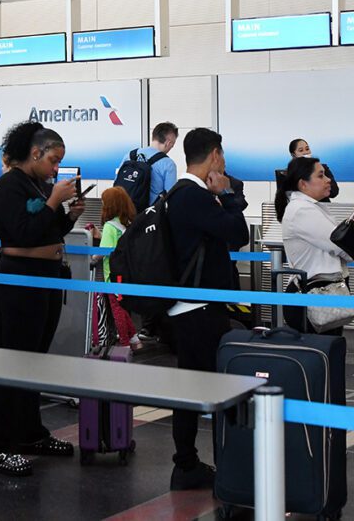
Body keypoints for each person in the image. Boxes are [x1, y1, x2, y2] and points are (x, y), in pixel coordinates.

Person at [0, 121, 83, 477]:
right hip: (20, 278)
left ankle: (29, 433)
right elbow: (21, 233)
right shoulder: (8, 186)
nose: (57, 169)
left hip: (47, 276)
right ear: (36, 153)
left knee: (35, 360)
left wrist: (68, 216)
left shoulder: (39, 185)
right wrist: (53, 201)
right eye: (54, 161)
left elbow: (48, 230)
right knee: (15, 360)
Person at [166, 128, 249, 490]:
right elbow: (239, 234)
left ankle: (188, 463)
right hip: (200, 308)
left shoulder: (178, 194)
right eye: (223, 155)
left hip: (187, 306)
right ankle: (209, 466)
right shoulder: (194, 197)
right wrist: (228, 195)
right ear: (215, 155)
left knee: (193, 386)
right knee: (214, 388)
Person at [275, 156, 354, 330]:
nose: (328, 180)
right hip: (315, 296)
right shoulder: (302, 210)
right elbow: (342, 246)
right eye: (321, 175)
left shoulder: (308, 207)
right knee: (323, 346)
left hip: (321, 294)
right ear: (303, 184)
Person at [97, 187, 141, 349]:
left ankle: (124, 344)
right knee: (122, 307)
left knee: (117, 310)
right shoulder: (127, 224)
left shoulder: (109, 226)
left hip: (112, 275)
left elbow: (103, 251)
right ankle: (134, 339)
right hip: (125, 274)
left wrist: (93, 257)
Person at [120, 121, 178, 205]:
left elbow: (117, 183)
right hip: (150, 212)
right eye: (172, 146)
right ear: (168, 143)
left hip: (125, 209)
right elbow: (171, 197)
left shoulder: (130, 155)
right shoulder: (168, 164)